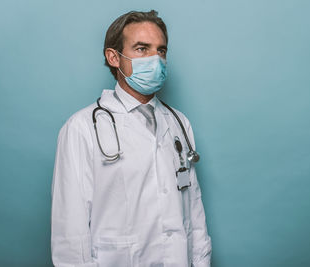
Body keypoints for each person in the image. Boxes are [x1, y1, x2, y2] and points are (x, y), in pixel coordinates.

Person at [51, 10, 212, 267]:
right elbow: (70, 232)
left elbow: (194, 210)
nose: (155, 59)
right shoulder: (81, 128)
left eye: (161, 50)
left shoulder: (179, 122)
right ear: (114, 57)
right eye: (141, 49)